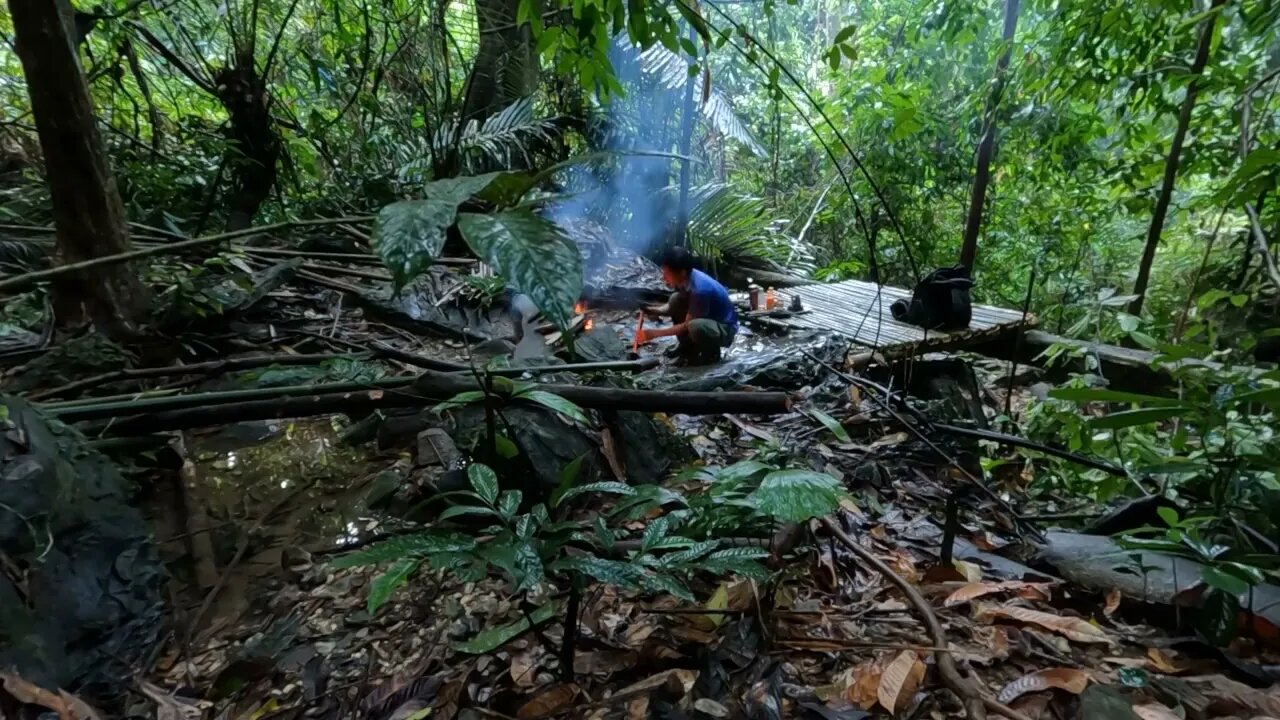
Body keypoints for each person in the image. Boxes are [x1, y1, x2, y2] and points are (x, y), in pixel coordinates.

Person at [634, 247, 738, 365]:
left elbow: (686, 326)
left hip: (724, 329)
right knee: (675, 299)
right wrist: (654, 311)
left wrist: (654, 333)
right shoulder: (684, 279)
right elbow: (671, 307)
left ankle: (711, 355)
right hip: (708, 318)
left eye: (667, 273)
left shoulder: (701, 290)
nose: (663, 278)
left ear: (682, 272)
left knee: (695, 326)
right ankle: (686, 347)